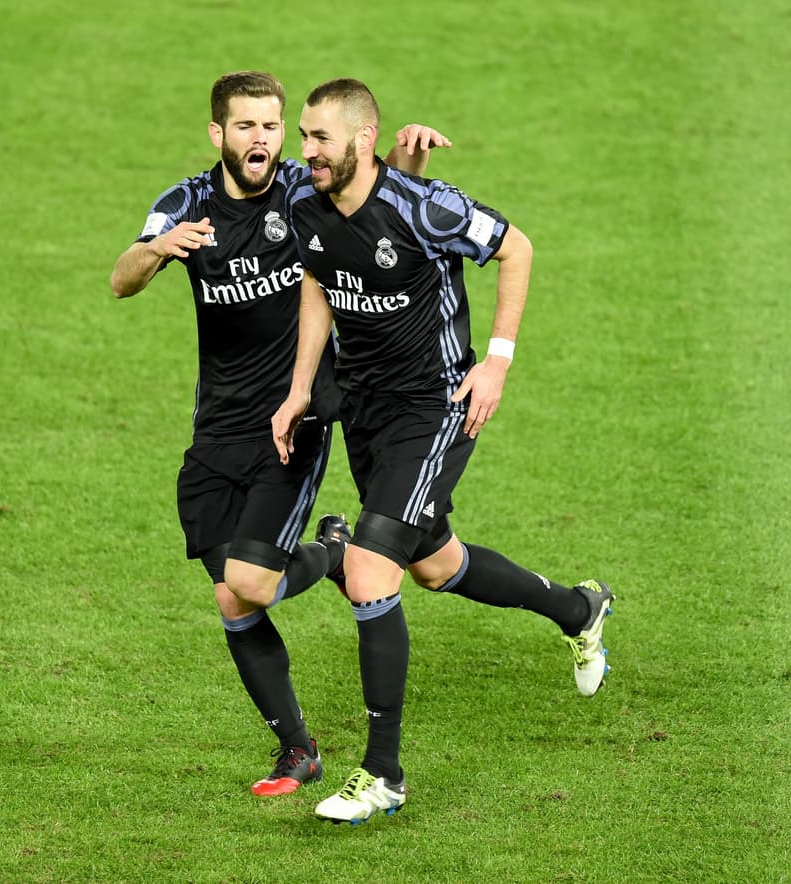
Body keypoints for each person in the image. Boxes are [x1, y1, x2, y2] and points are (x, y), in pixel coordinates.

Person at [271, 77, 615, 825]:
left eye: (321, 139)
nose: (308, 152)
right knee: (434, 564)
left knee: (368, 566)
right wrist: (300, 388)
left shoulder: (426, 206)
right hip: (363, 409)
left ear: (362, 139)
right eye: (304, 137)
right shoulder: (305, 202)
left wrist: (496, 359)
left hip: (436, 406)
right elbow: (318, 285)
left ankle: (384, 774)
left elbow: (515, 248)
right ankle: (578, 608)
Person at [109, 71, 449, 798]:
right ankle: (297, 749)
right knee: (233, 600)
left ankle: (329, 551)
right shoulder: (186, 204)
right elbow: (120, 280)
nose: (262, 139)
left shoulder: (304, 192)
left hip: (291, 425)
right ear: (218, 135)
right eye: (246, 126)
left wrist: (411, 166)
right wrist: (158, 248)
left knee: (250, 582)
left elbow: (377, 213)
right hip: (215, 433)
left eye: (271, 126)